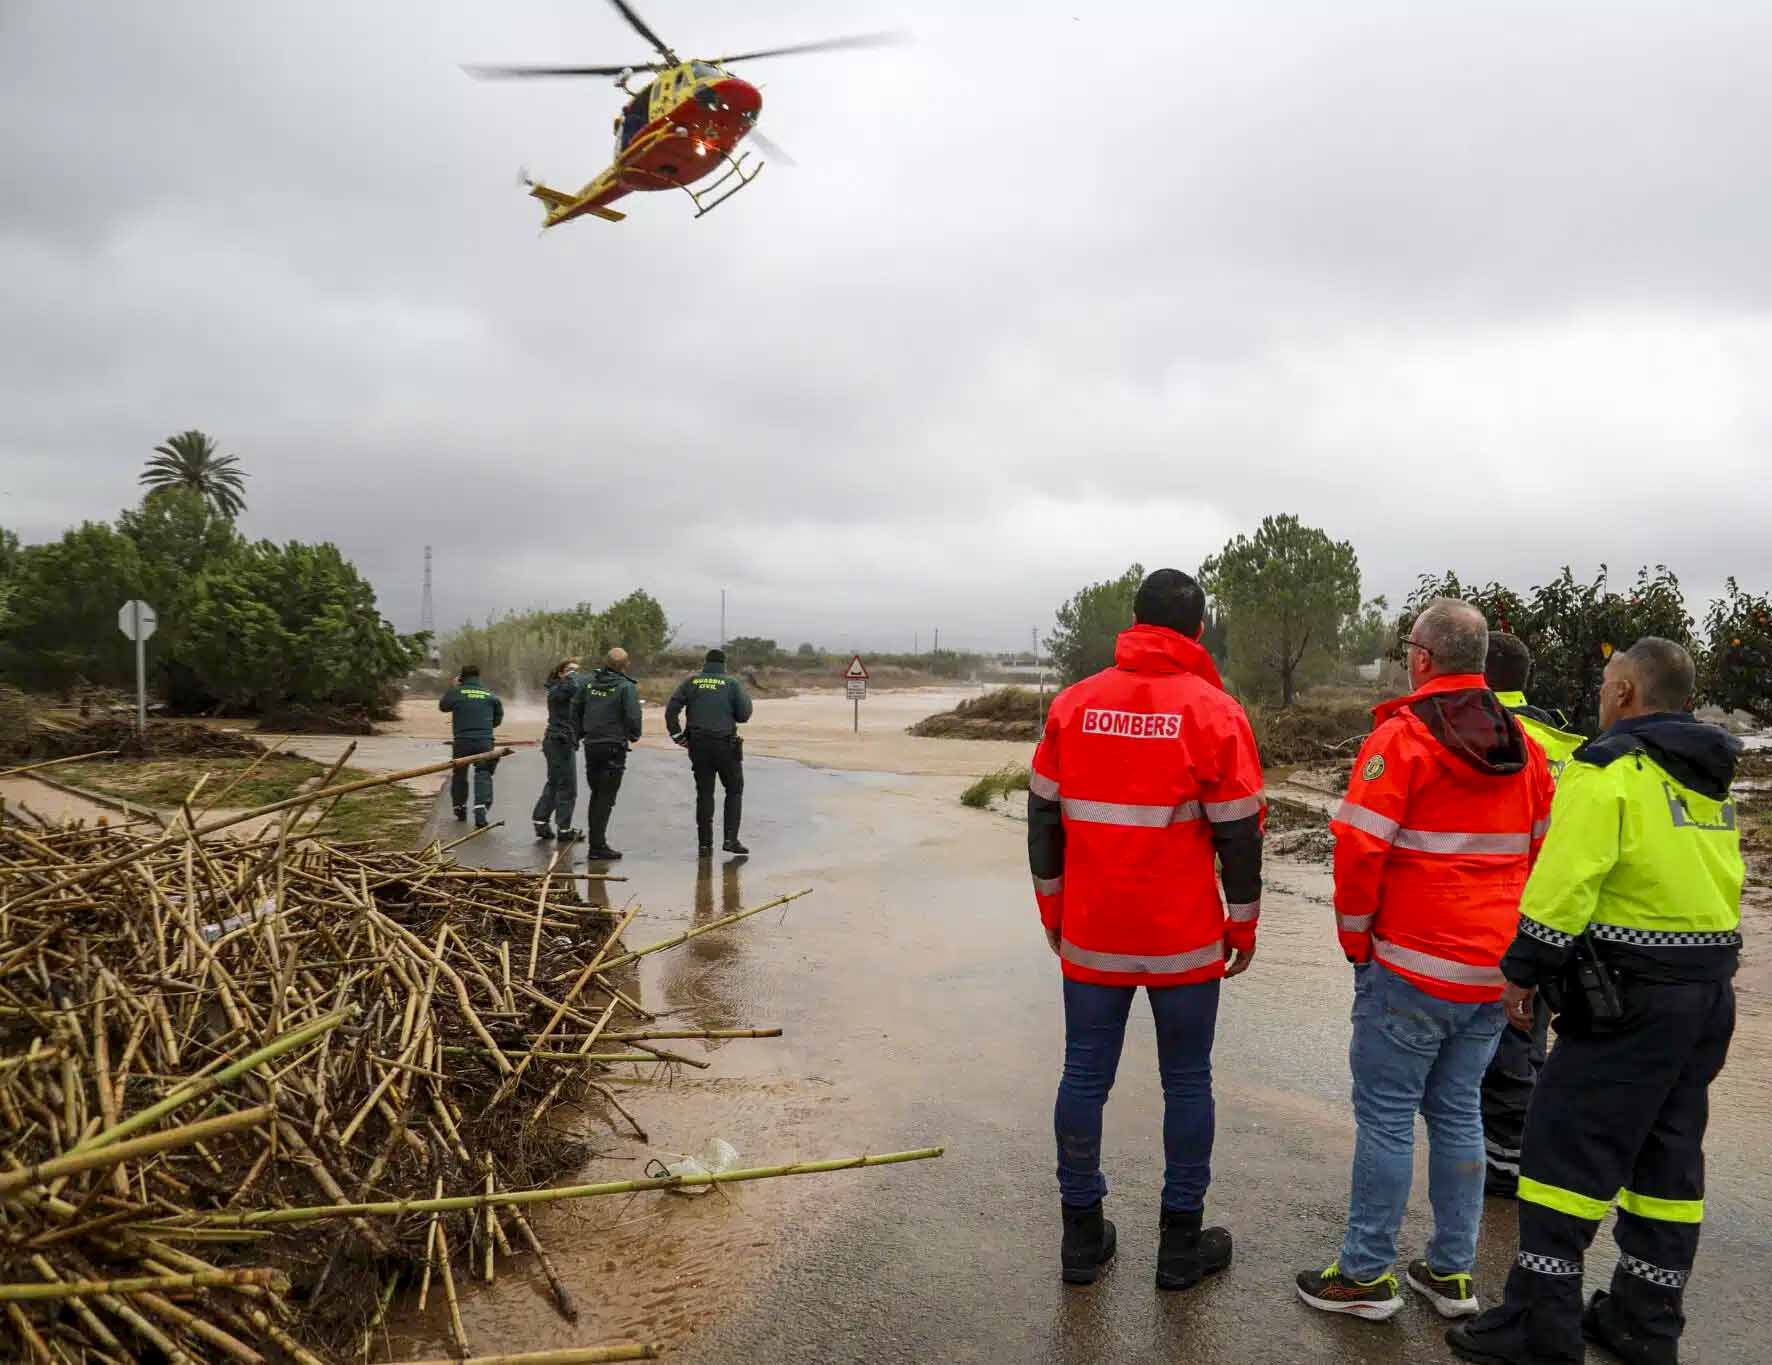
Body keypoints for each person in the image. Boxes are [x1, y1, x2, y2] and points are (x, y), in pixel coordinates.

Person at [1448, 638, 1744, 1365]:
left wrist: (1522, 969)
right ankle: (1645, 1322)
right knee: (1666, 1161)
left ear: (1624, 694)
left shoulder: (1609, 767)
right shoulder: (1707, 777)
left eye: (1610, 686)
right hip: (1706, 994)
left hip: (1629, 995)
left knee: (1560, 1147)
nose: (1603, 698)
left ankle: (1539, 1325)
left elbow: (1565, 883)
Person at [1297, 599, 1553, 1323]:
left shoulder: (1400, 739)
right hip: (1489, 973)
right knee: (1458, 1112)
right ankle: (1451, 1271)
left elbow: (1359, 849)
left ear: (1422, 658)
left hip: (1408, 967)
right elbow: (1541, 854)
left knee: (1384, 1119)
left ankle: (1366, 1273)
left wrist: (1356, 940)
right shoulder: (1526, 750)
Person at [1027, 568, 1264, 1292]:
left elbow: (1041, 820)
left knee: (1083, 1076)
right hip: (1185, 940)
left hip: (1093, 934)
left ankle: (1080, 1237)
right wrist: (1243, 923)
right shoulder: (1215, 712)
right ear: (1197, 629)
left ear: (1132, 620)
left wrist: (1054, 912)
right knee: (1188, 1082)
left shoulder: (1073, 705)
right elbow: (1241, 833)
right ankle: (1180, 1246)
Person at [1480, 632, 1587, 1198]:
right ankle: (1526, 1150)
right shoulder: (1568, 744)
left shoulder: (1481, 736)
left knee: (1502, 1049)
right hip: (1559, 917)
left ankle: (1505, 1165)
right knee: (1533, 1040)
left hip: (1498, 916)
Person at [665, 648, 753, 856]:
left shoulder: (691, 682)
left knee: (704, 793)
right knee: (734, 789)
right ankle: (730, 840)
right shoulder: (731, 683)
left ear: (705, 662)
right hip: (725, 746)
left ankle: (705, 844)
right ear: (724, 664)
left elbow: (671, 710)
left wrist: (677, 735)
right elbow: (743, 715)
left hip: (698, 745)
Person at [573, 648, 642, 861]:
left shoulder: (590, 684)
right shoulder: (625, 687)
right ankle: (597, 846)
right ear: (625, 665)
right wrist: (634, 734)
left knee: (596, 795)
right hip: (613, 747)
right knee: (605, 797)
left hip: (592, 745)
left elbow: (575, 708)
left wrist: (579, 733)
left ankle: (597, 843)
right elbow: (632, 715)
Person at [439, 665, 504, 827]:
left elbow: (443, 706)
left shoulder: (457, 693)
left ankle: (459, 807)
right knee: (483, 773)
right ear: (478, 676)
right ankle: (481, 809)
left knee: (460, 772)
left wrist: (453, 687)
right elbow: (497, 720)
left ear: (462, 677)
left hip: (462, 741)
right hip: (484, 741)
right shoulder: (490, 695)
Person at [532, 658, 583, 842]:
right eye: (570, 670)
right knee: (567, 786)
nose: (575, 673)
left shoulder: (563, 690)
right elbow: (571, 688)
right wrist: (571, 675)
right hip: (558, 741)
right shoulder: (558, 690)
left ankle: (541, 821)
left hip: (560, 740)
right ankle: (564, 829)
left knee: (555, 783)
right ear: (561, 673)